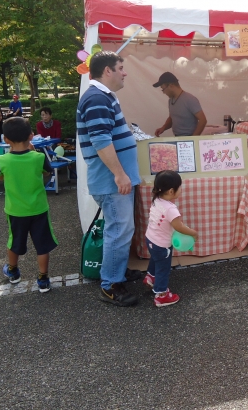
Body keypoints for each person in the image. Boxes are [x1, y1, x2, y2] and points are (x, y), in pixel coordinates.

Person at [77, 51, 143, 306]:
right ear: (107, 70)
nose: (125, 72)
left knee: (121, 229)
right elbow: (101, 140)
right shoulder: (96, 98)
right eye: (121, 67)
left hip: (114, 180)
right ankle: (110, 285)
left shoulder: (103, 97)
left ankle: (117, 272)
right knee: (119, 229)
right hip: (111, 180)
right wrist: (119, 174)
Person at [0, 117, 57, 291]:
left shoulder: (2, 160)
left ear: (6, 139)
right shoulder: (38, 157)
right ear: (31, 136)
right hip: (38, 208)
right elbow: (46, 173)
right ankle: (43, 279)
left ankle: (13, 272)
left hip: (15, 211)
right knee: (42, 244)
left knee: (14, 241)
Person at [143, 170, 198, 307]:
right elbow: (178, 226)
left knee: (155, 260)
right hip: (162, 245)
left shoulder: (157, 200)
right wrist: (193, 233)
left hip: (150, 239)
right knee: (163, 268)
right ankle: (161, 295)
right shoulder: (171, 209)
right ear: (171, 191)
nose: (181, 189)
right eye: (180, 187)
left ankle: (150, 277)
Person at [153, 72, 207, 137]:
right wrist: (163, 128)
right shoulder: (171, 100)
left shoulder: (189, 99)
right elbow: (172, 117)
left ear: (171, 85)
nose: (163, 92)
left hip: (189, 137)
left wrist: (193, 138)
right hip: (178, 138)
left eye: (163, 89)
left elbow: (203, 120)